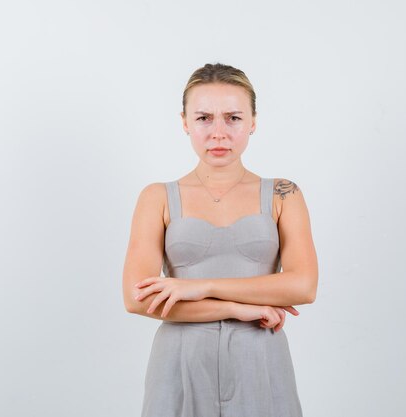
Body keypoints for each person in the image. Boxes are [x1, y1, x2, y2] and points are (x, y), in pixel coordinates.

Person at [122, 63, 318, 417]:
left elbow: (303, 285)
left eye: (233, 118)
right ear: (185, 122)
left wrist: (201, 286)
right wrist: (237, 309)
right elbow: (137, 299)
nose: (219, 133)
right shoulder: (157, 197)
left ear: (253, 121)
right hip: (179, 362)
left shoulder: (283, 193)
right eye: (204, 118)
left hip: (260, 360)